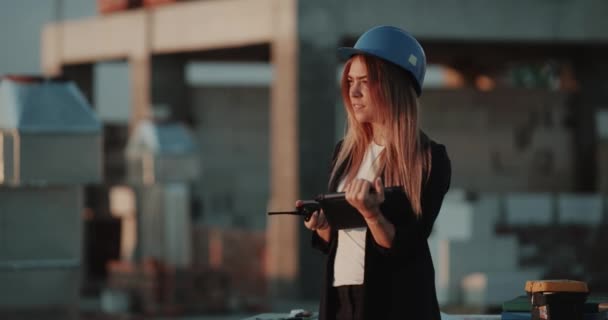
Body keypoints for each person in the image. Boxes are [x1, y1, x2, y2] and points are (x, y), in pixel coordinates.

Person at [297, 25, 452, 320]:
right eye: (351, 80)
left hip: (395, 303)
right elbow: (339, 240)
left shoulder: (429, 158)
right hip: (341, 298)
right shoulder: (345, 152)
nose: (353, 92)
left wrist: (372, 214)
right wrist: (321, 224)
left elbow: (407, 246)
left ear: (394, 84)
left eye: (365, 81)